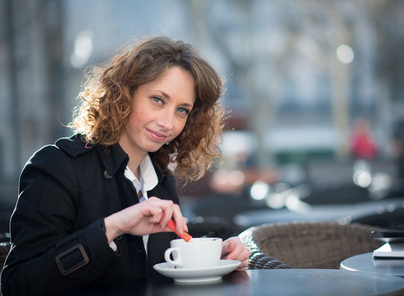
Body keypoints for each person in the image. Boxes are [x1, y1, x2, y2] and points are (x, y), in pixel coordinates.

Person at [1, 36, 250, 296]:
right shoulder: (56, 167)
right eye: (158, 100)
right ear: (124, 93)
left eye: (182, 110)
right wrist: (113, 228)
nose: (168, 123)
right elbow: (17, 285)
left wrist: (214, 259)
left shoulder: (160, 178)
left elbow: (158, 273)